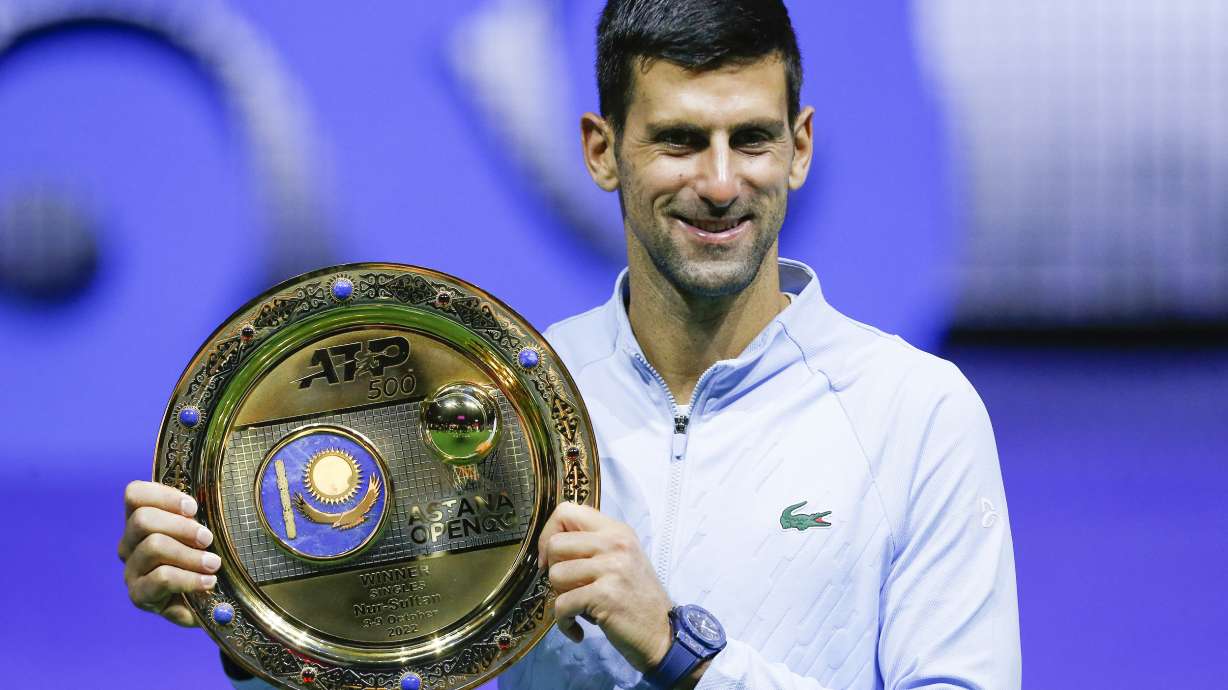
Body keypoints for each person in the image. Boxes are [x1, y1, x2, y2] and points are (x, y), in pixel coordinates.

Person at [119, 1, 1021, 688]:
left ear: (801, 148)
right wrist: (251, 619)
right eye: (676, 140)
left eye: (750, 139)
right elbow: (390, 661)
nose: (718, 182)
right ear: (600, 151)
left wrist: (682, 651)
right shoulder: (499, 399)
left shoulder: (917, 411)